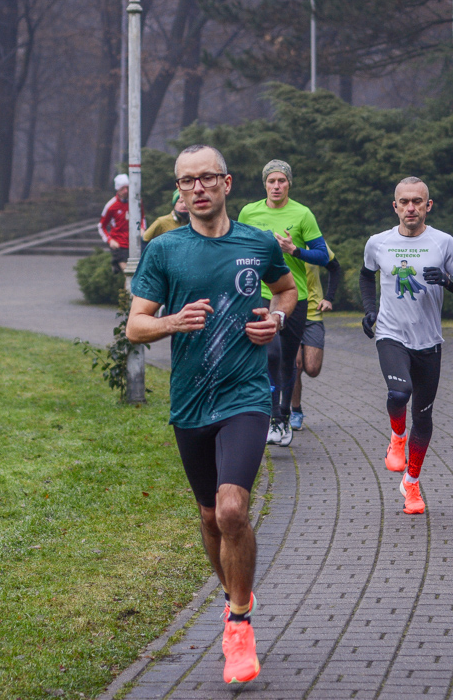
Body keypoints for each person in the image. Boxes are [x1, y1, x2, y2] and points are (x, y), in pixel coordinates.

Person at [126, 143, 297, 686]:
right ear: (178, 191)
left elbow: (287, 290)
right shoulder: (165, 251)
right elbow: (135, 326)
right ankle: (232, 597)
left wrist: (275, 316)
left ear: (226, 183)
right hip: (191, 402)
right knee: (207, 517)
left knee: (230, 511)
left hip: (245, 397)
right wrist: (173, 322)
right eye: (185, 181)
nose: (196, 188)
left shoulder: (258, 242)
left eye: (205, 178)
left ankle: (240, 625)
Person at [359, 177, 453, 515]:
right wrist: (370, 311)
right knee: (399, 394)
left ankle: (411, 484)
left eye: (418, 201)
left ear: (428, 206)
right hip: (390, 334)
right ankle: (397, 438)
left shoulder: (444, 243)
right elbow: (366, 276)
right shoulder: (378, 243)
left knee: (423, 417)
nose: (410, 207)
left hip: (429, 342)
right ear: (394, 206)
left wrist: (448, 280)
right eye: (404, 201)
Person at [237, 159, 330, 448]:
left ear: (289, 183)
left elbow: (323, 255)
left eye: (281, 181)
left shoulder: (302, 214)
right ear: (264, 184)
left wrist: (295, 250)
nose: (276, 186)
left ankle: (285, 417)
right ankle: (271, 415)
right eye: (271, 181)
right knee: (270, 354)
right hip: (260, 293)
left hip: (295, 295)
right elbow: (236, 247)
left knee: (288, 360)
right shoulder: (249, 212)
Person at [288, 245, 342, 430]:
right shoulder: (278, 241)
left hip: (313, 313)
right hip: (289, 312)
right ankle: (294, 410)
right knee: (295, 365)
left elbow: (335, 267)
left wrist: (329, 298)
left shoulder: (315, 245)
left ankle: (290, 377)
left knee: (312, 368)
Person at [98, 173, 131, 274]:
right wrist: (109, 240)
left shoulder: (135, 202)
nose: (126, 191)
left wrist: (142, 229)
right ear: (117, 190)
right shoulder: (111, 206)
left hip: (133, 243)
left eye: (127, 188)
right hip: (119, 244)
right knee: (128, 273)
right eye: (122, 189)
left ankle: (126, 290)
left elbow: (142, 217)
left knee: (134, 273)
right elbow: (101, 226)